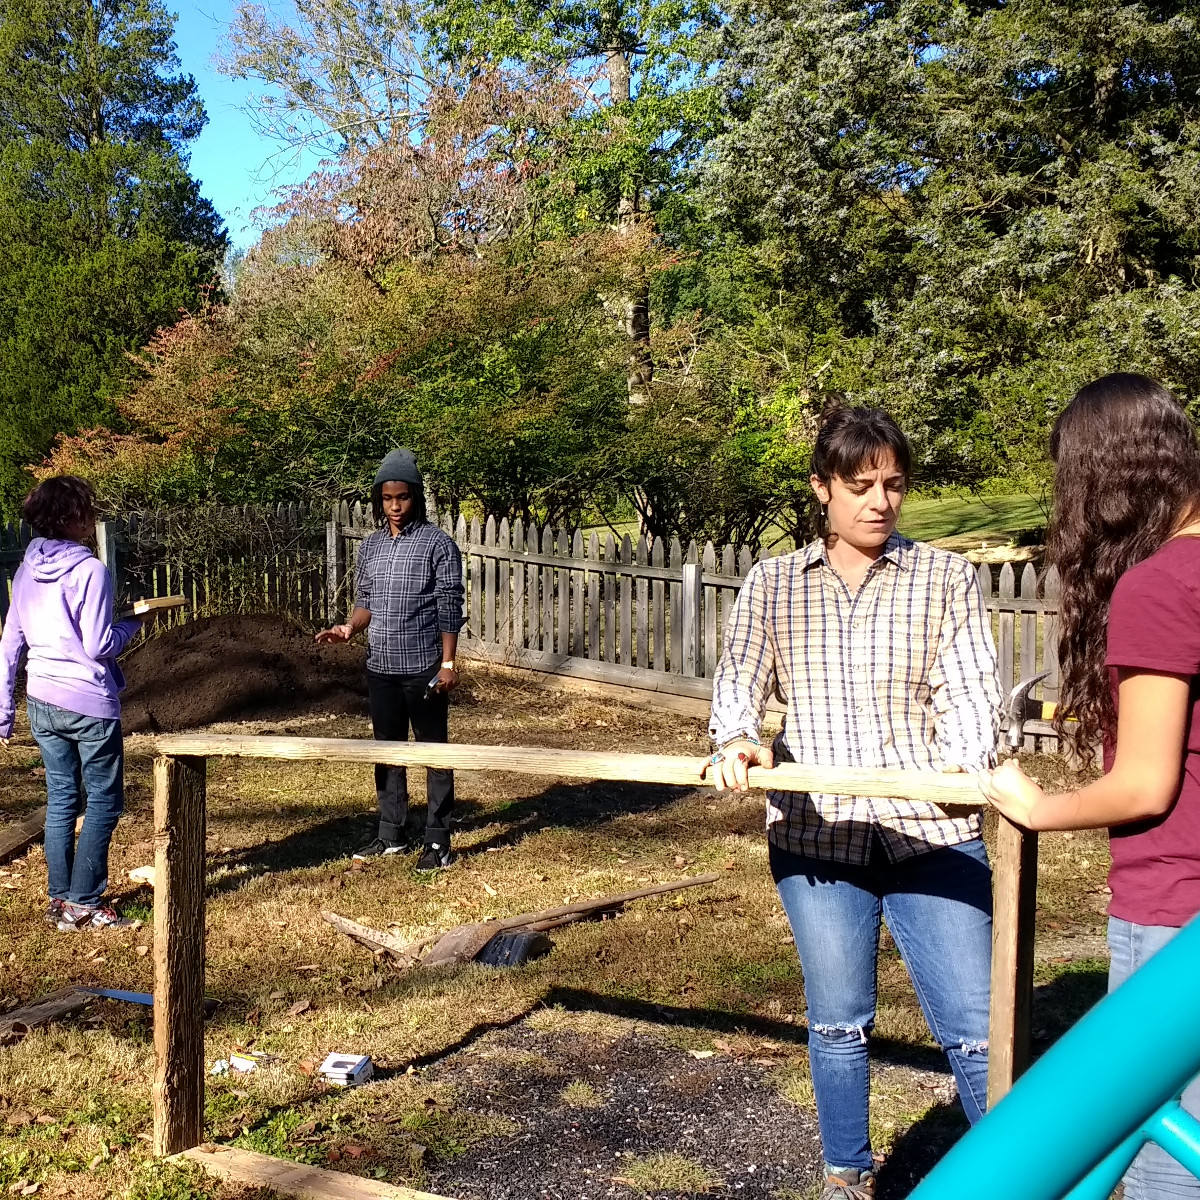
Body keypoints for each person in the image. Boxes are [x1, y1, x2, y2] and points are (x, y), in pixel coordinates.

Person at [705, 406, 1001, 1200]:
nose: (880, 502)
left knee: (978, 1033)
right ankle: (848, 1178)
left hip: (929, 830)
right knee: (838, 1022)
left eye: (894, 485)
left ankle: (1016, 1175)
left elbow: (970, 693)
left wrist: (971, 767)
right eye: (860, 485)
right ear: (822, 490)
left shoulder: (945, 578)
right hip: (816, 835)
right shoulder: (774, 584)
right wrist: (736, 740)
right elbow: (739, 682)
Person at [983, 373, 1200, 1200]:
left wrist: (1041, 809)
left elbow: (1145, 785)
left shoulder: (1160, 587)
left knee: (1162, 1166)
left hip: (1174, 916)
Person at [0, 476, 151, 931]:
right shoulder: (90, 571)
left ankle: (59, 899)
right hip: (87, 702)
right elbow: (99, 643)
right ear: (73, 518)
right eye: (88, 509)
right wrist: (137, 622)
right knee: (104, 800)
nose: (93, 516)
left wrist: (3, 713)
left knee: (63, 797)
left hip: (42, 699)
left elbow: (10, 643)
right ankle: (83, 903)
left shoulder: (25, 570)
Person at [317, 448, 464, 869]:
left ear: (415, 497)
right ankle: (392, 832)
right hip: (380, 667)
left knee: (435, 753)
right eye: (386, 498)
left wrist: (448, 665)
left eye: (402, 497)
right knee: (387, 749)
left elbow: (449, 606)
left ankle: (437, 840)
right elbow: (367, 602)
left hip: (424, 669)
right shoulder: (372, 547)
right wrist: (349, 628)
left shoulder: (438, 545)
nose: (395, 506)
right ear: (379, 500)